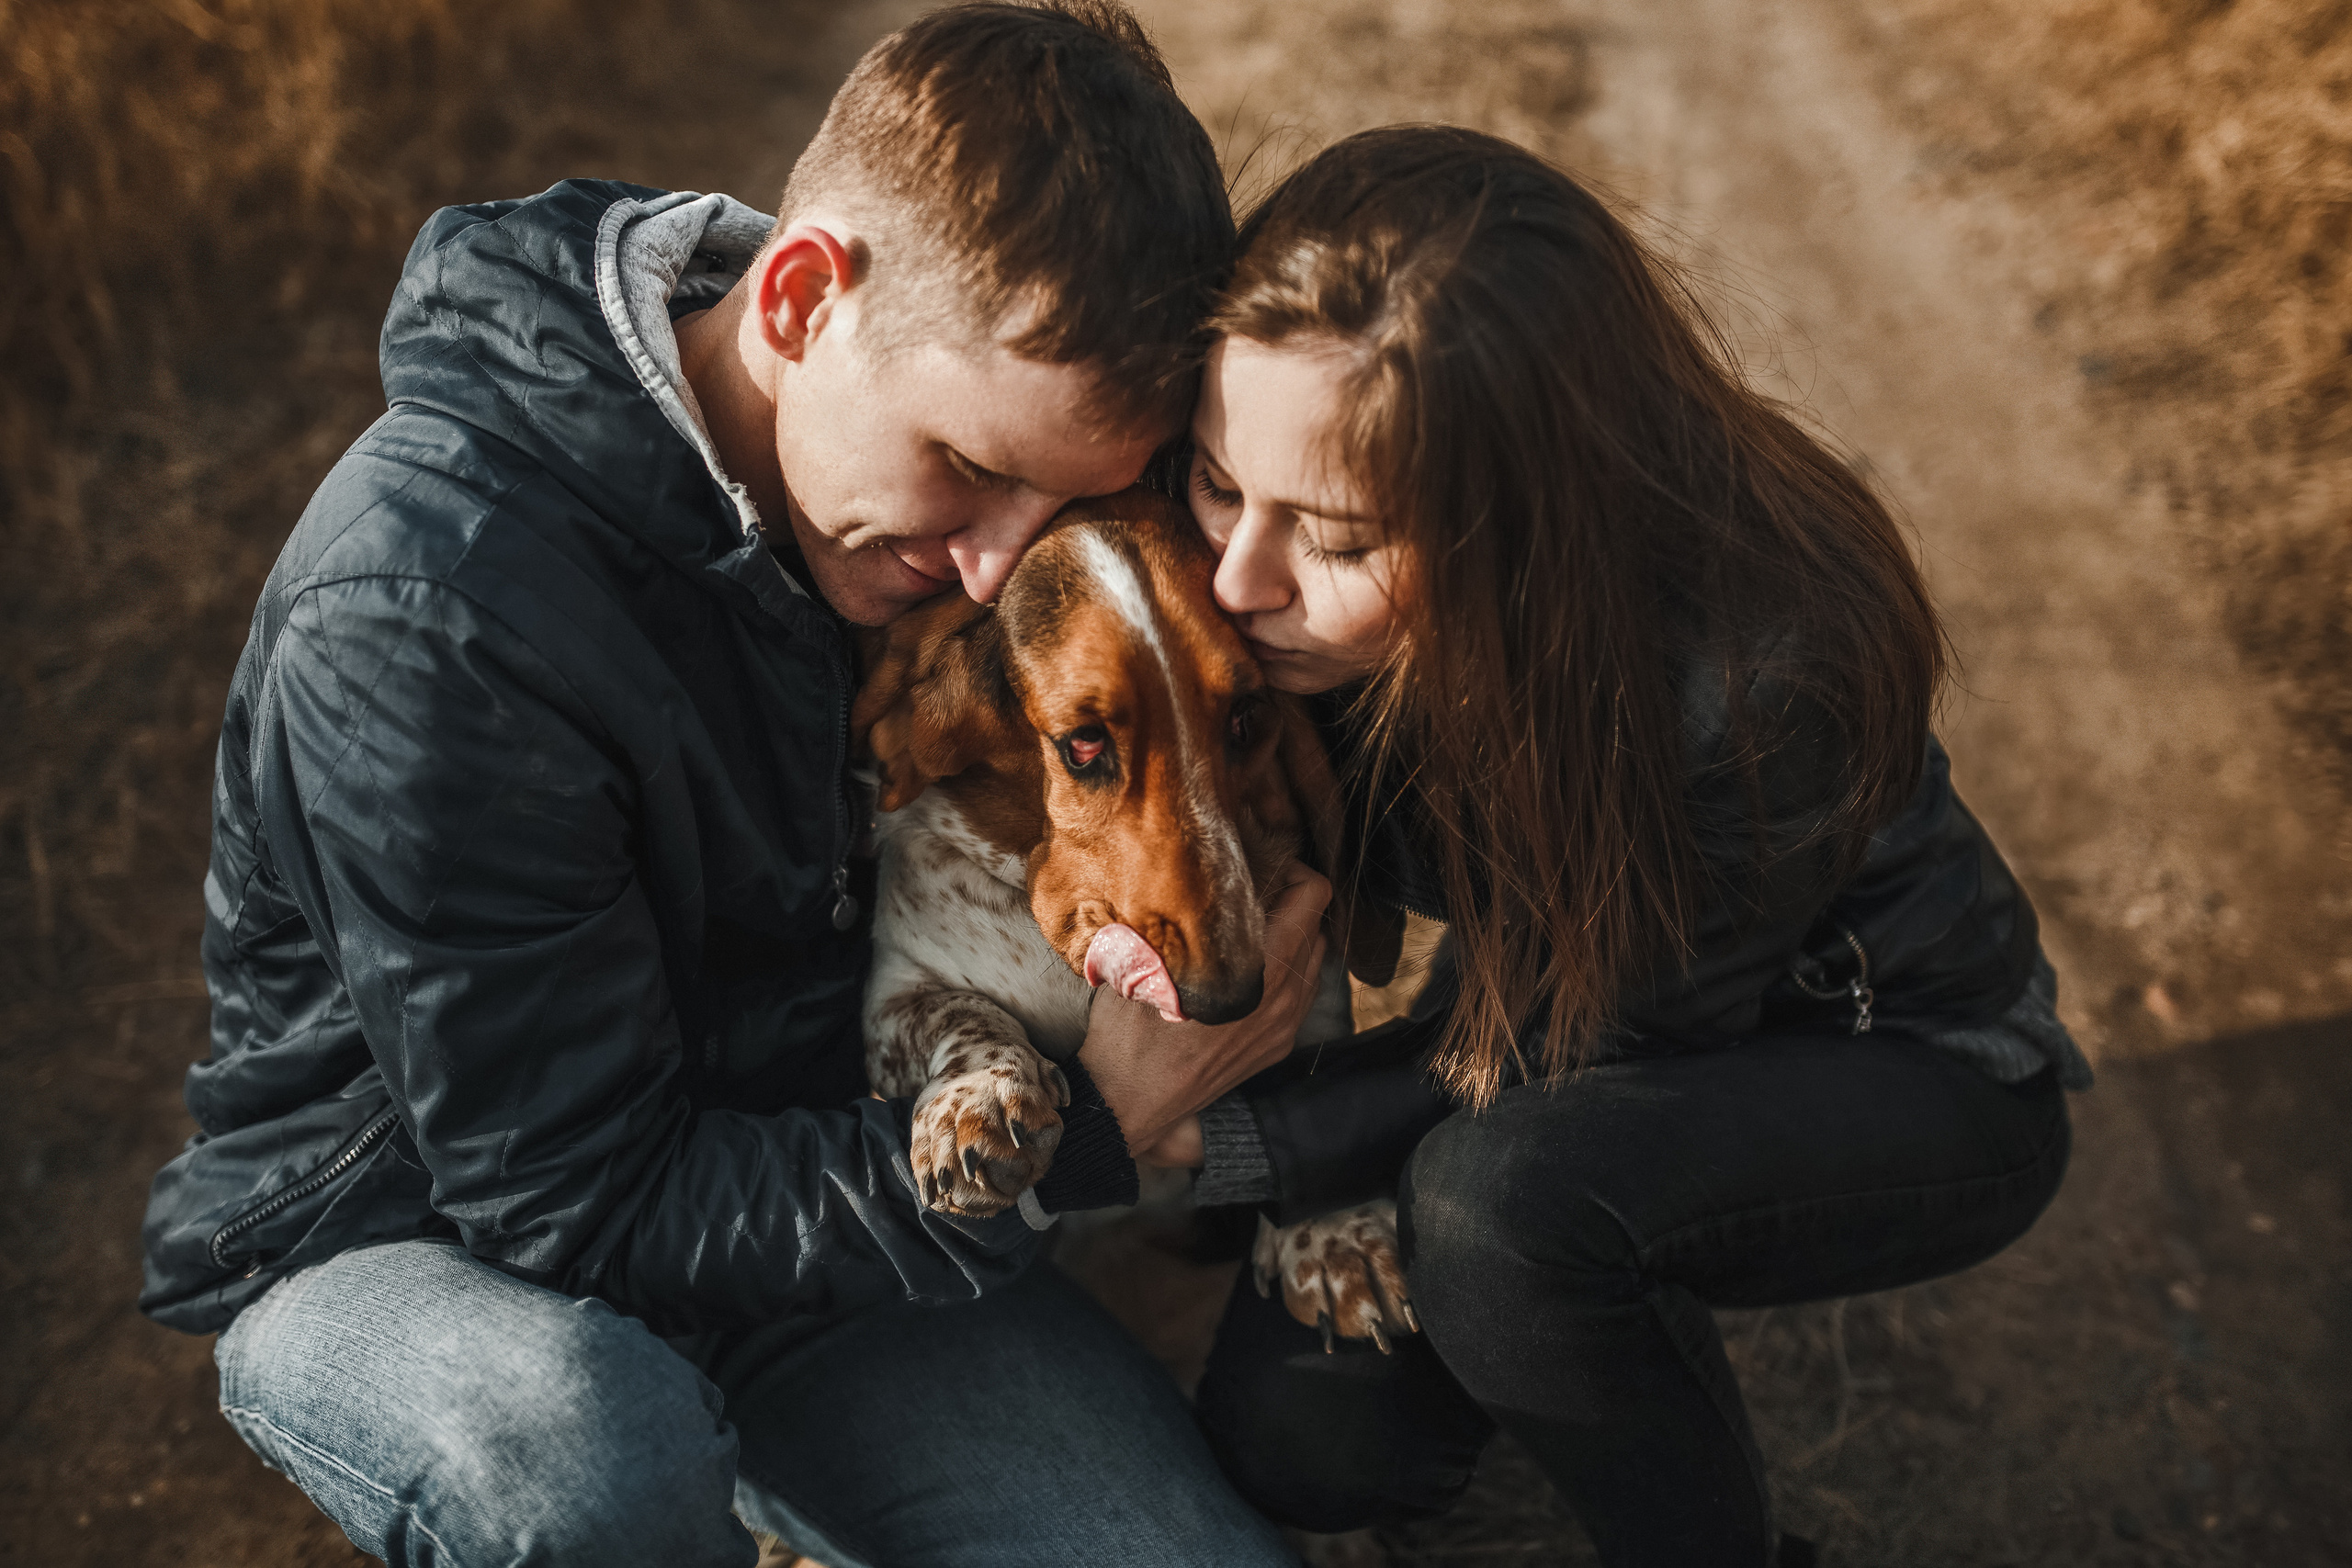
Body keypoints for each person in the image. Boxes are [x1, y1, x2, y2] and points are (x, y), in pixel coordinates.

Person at [136, 6, 1321, 1565]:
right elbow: (577, 1204)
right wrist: (1092, 1131)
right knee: (589, 1465)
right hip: (426, 1244)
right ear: (802, 293)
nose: (991, 563)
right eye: (966, 468)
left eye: (1059, 503)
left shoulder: (895, 504)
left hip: (810, 1204)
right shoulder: (426, 608)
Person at [1170, 125, 2096, 1568]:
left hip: (1884, 1056)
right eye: (1221, 485)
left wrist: (1211, 1137)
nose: (1239, 581)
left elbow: (1588, 1050)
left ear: (1521, 523)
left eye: (1338, 539)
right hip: (1555, 1002)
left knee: (1502, 1219)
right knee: (1307, 1450)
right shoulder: (1271, 600)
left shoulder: (1762, 673)